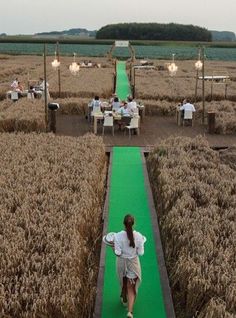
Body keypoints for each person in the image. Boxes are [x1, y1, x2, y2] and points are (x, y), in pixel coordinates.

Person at [114, 214, 146, 318]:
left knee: (123, 282)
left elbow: (118, 253)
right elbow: (141, 253)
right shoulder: (139, 237)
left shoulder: (117, 236)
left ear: (123, 224)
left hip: (121, 263)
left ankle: (124, 299)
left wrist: (113, 247)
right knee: (131, 288)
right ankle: (130, 311)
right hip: (133, 264)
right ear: (134, 223)